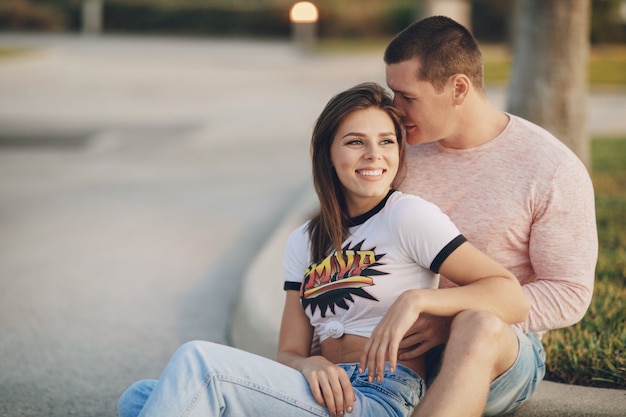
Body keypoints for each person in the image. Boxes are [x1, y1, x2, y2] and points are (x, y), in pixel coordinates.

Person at [117, 82, 530, 417]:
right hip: (318, 391)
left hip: (376, 398)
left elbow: (508, 294)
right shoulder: (304, 240)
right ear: (329, 154)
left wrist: (416, 299)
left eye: (386, 142)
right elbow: (290, 352)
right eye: (355, 142)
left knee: (196, 365)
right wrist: (309, 363)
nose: (374, 156)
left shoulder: (407, 216)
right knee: (140, 397)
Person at [382, 16, 598, 417]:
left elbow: (569, 292)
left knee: (477, 324)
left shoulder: (550, 167)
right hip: (395, 344)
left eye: (407, 96)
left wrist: (448, 316)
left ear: (458, 88)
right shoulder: (394, 153)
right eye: (392, 94)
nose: (395, 110)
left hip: (498, 350)